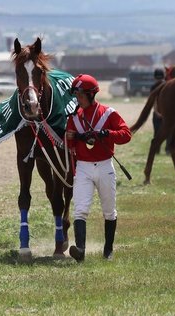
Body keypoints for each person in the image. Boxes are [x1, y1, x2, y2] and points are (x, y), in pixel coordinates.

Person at [66, 74, 131, 262]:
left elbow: (126, 134)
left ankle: (108, 250)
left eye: (79, 95)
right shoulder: (74, 118)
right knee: (80, 210)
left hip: (104, 166)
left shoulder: (109, 113)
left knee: (109, 211)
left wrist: (106, 134)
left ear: (90, 94)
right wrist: (70, 138)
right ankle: (80, 251)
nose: (77, 98)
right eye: (76, 95)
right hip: (83, 168)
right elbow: (69, 145)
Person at [151, 68, 170, 154]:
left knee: (157, 132)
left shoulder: (153, 87)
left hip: (158, 113)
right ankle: (167, 149)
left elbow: (154, 101)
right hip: (166, 113)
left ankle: (157, 150)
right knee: (168, 132)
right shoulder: (168, 85)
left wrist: (156, 112)